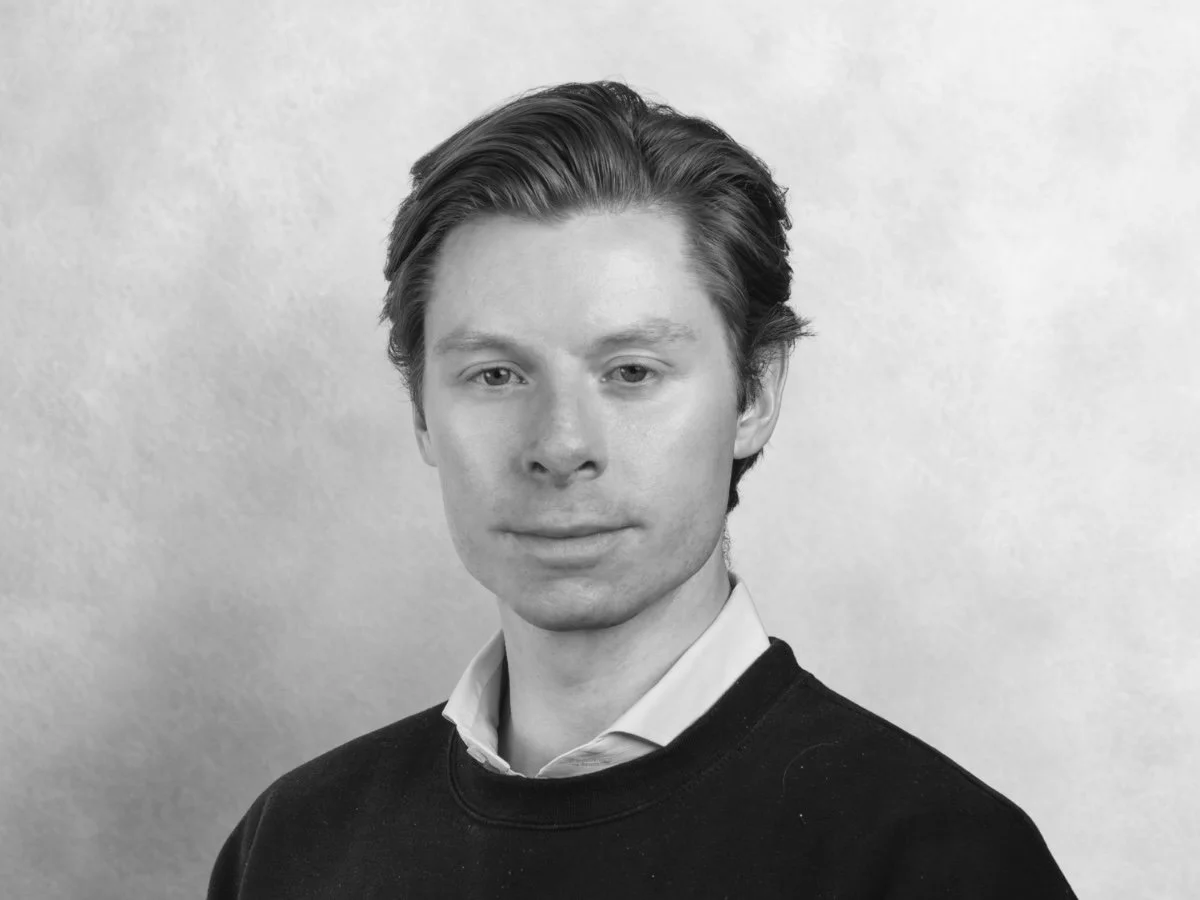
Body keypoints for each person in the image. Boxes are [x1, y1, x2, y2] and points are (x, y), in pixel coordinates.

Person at [207, 80, 1077, 898]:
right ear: (422, 413)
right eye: (497, 375)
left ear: (755, 396)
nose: (559, 447)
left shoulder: (939, 863)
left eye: (630, 371)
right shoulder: (291, 849)